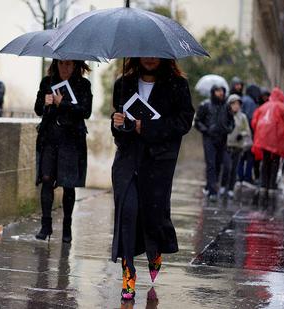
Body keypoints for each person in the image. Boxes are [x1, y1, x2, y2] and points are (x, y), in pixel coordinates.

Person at [111, 57, 194, 300]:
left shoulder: (177, 85)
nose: (149, 57)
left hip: (159, 162)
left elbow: (184, 122)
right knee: (126, 213)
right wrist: (118, 124)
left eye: (154, 53)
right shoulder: (123, 84)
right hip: (127, 160)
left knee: (152, 216)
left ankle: (154, 249)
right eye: (144, 52)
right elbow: (118, 129)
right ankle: (128, 271)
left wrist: (144, 127)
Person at [34, 59, 93, 244]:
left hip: (71, 140)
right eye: (61, 64)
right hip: (50, 138)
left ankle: (67, 226)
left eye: (69, 64)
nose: (64, 68)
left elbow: (86, 111)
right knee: (46, 179)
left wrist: (63, 103)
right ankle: (46, 225)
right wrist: (45, 102)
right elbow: (37, 110)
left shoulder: (83, 84)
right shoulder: (47, 82)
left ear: (76, 65)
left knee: (68, 184)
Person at [194, 85, 235, 201]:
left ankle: (211, 185)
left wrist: (228, 129)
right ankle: (212, 191)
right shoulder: (205, 105)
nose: (220, 93)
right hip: (209, 139)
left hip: (222, 139)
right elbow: (197, 122)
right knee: (211, 164)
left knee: (221, 164)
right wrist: (206, 130)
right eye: (218, 91)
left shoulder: (227, 107)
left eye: (222, 91)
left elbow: (232, 122)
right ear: (213, 92)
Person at [252, 87, 284, 196]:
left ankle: (264, 185)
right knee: (275, 163)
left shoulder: (263, 107)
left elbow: (254, 122)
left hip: (263, 140)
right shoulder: (283, 108)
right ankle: (272, 186)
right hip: (277, 140)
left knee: (265, 161)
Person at [219, 94, 251, 198]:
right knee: (227, 167)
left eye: (238, 104)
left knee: (234, 169)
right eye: (233, 103)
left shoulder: (243, 117)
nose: (236, 106)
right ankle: (223, 186)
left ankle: (231, 189)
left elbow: (247, 131)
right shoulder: (225, 116)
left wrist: (241, 135)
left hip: (238, 146)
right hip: (227, 146)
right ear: (229, 104)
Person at [237, 84, 261, 186]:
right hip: (248, 134)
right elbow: (251, 120)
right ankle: (247, 178)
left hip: (239, 132)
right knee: (250, 156)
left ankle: (239, 177)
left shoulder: (243, 99)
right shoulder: (251, 102)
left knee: (240, 157)